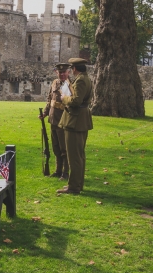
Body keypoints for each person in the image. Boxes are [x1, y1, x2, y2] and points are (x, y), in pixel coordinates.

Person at [57, 58, 93, 195]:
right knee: (78, 155)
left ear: (75, 69)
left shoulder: (81, 80)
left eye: (72, 68)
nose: (71, 71)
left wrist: (64, 98)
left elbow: (77, 100)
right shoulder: (84, 78)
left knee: (74, 156)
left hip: (76, 121)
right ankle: (76, 184)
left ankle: (74, 187)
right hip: (78, 119)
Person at [39, 63, 71, 180]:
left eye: (64, 72)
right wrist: (45, 113)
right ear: (56, 72)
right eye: (60, 72)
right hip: (53, 119)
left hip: (63, 121)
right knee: (56, 147)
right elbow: (50, 100)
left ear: (69, 72)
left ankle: (66, 172)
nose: (62, 74)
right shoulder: (54, 83)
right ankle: (58, 170)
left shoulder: (70, 85)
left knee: (64, 148)